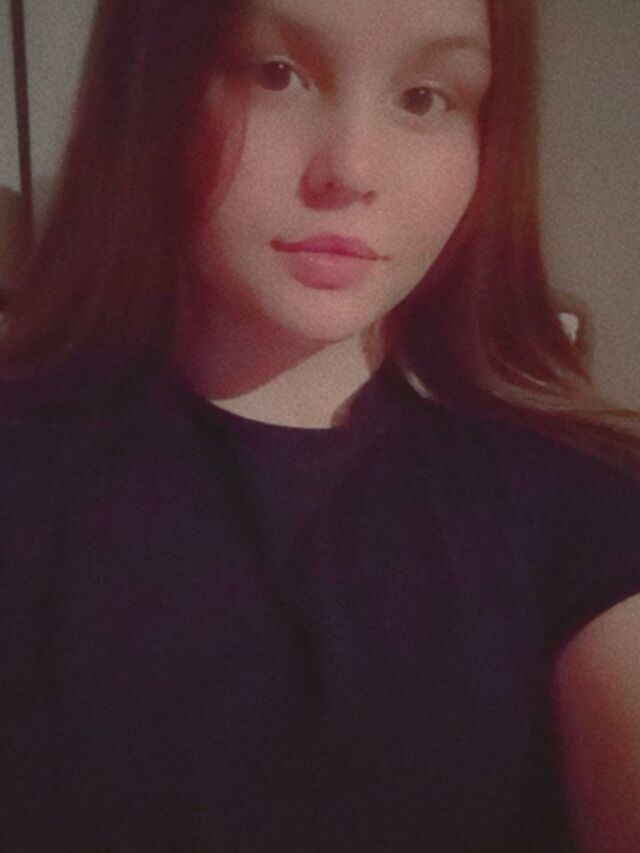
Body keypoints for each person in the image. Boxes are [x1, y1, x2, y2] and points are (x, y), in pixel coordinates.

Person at [2, 0, 640, 850]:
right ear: (150, 86)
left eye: (424, 97)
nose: (351, 169)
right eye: (278, 75)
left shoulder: (588, 503)